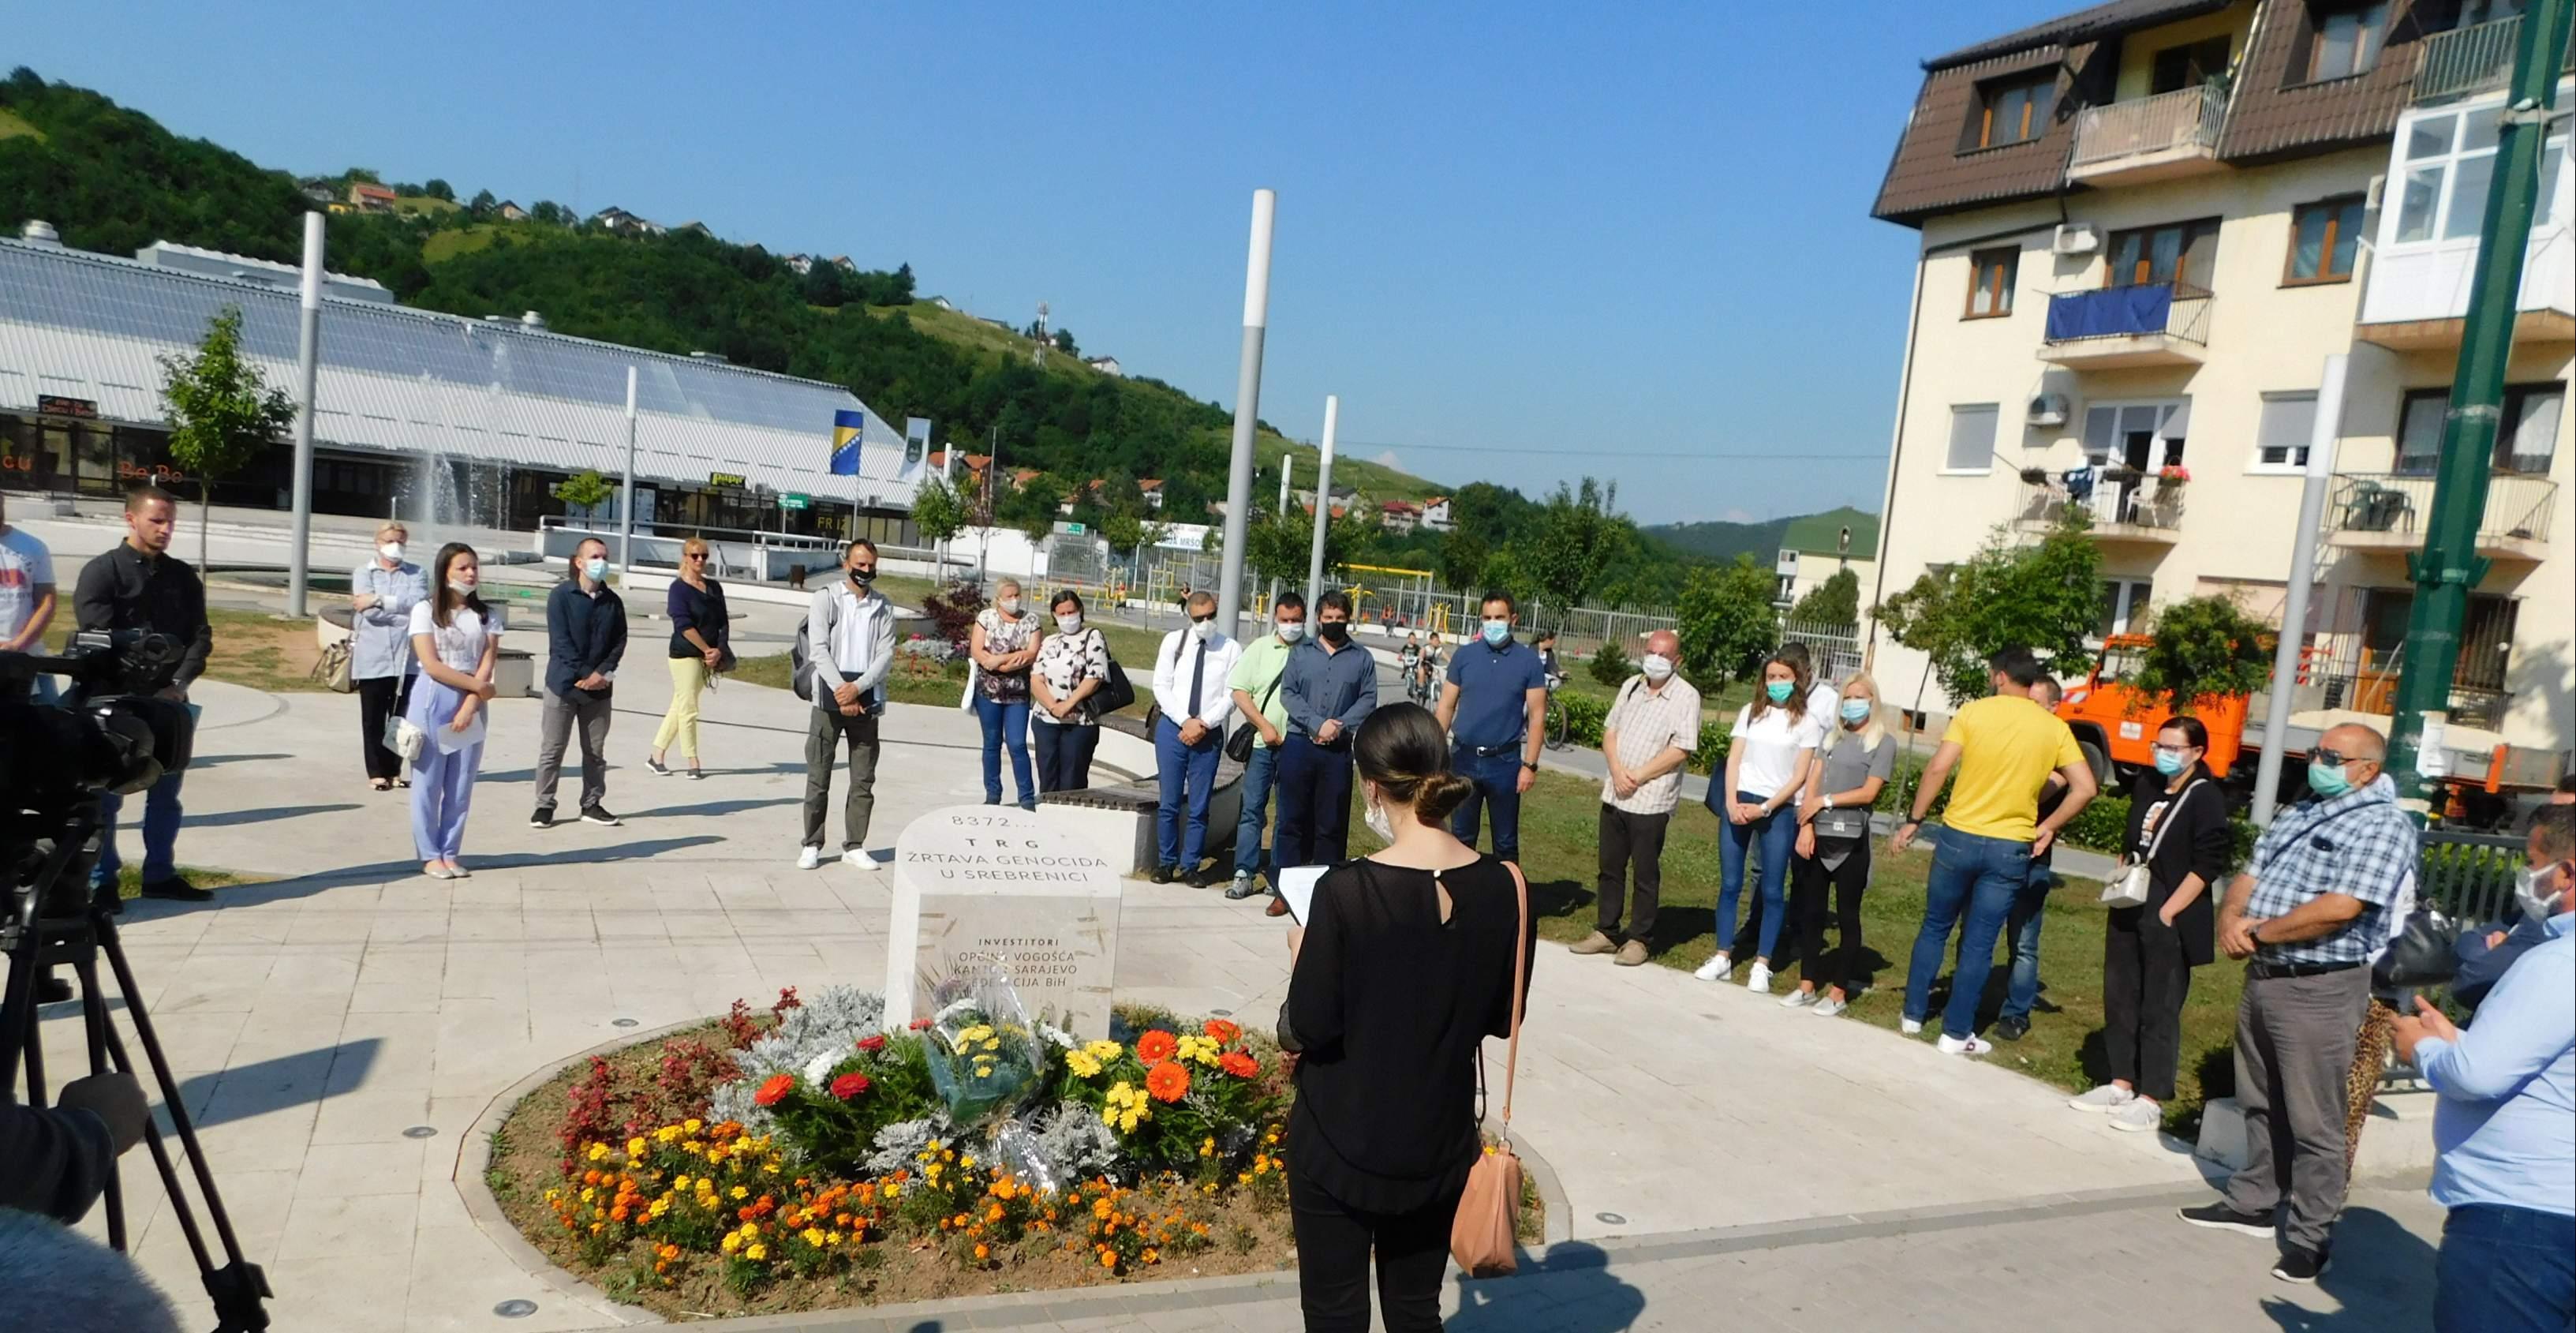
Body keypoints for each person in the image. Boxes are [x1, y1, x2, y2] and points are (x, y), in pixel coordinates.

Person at [1281, 702, 1535, 1333]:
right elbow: (1505, 1015)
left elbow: (1307, 1026)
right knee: (1416, 1307)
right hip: (1437, 1135)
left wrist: (1300, 956)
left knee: (1335, 1312)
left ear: (1370, 786)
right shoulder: (1506, 884)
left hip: (1339, 1134)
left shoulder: (1345, 891)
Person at [2177, 723, 2417, 1283]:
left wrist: (2259, 934)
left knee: (2314, 1119)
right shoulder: (2303, 807)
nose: (2318, 761)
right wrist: (2231, 917)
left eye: (2333, 756)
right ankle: (2253, 1200)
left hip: (2320, 984)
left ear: (2367, 769)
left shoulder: (2383, 825)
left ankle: (2311, 1234)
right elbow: (2250, 872)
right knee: (2258, 1098)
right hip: (2265, 976)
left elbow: (2342, 906)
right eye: (2316, 751)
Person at [2394, 805, 2574, 1332]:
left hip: (2521, 1216)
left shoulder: (2556, 963)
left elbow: (2477, 1076)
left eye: (2533, 862)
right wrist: (2462, 1041)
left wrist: (2422, 1049)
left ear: (2564, 873)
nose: (2526, 878)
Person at [1892, 647, 2097, 1054]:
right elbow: (2086, 787)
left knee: (1935, 925)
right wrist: (2049, 826)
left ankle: (1913, 1014)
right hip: (2010, 844)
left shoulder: (1974, 712)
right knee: (1980, 943)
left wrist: (1915, 818)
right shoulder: (2053, 727)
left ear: (2000, 676)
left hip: (1958, 835)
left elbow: (1937, 768)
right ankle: (1955, 1033)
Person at [2069, 717, 2230, 1132]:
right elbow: (2131, 839)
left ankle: (2151, 1095)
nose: (2164, 754)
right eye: (2160, 746)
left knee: (2160, 1003)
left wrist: (2170, 910)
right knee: (2121, 991)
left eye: (2175, 748)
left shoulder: (2205, 796)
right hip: (2132, 897)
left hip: (2170, 905)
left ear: (2197, 753)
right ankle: (2120, 1080)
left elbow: (2209, 862)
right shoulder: (2149, 784)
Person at [74, 486, 211, 901]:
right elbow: (94, 637)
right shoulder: (102, 571)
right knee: (107, 799)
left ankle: (160, 876)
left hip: (168, 703)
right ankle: (104, 883)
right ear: (130, 519)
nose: (166, 529)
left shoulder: (183, 577)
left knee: (166, 796)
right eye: (157, 520)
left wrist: (178, 685)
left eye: (170, 521)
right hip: (111, 700)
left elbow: (200, 637)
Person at [1695, 650, 1820, 993]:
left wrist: (1765, 808)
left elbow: (1799, 776)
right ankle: (1722, 955)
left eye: (1783, 677)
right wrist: (1732, 801)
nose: (1777, 683)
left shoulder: (1807, 722)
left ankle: (1762, 963)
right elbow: (1735, 759)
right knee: (1731, 883)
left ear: (1796, 679)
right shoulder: (1750, 714)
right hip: (1739, 804)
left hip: (1775, 810)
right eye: (1771, 677)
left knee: (1772, 887)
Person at [1573, 629, 1699, 967]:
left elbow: (1681, 749)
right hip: (1616, 792)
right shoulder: (1631, 685)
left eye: (1663, 654)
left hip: (1651, 799)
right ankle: (1607, 931)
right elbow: (1610, 731)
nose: (1655, 659)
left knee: (1645, 872)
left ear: (1677, 661)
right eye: (1650, 652)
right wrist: (1616, 770)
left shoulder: (1687, 696)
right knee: (1610, 867)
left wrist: (1639, 776)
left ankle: (1640, 938)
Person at [1784, 671, 1896, 1013]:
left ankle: (1838, 992)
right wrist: (1807, 825)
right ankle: (1806, 985)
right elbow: (1813, 782)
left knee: (1848, 915)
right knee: (1812, 912)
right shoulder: (1831, 737)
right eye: (1847, 697)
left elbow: (1870, 791)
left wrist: (1826, 802)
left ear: (1873, 702)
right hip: (1818, 834)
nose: (1852, 704)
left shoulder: (1882, 741)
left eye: (1859, 697)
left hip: (1851, 839)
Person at [406, 542, 499, 879]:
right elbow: (431, 664)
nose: (471, 573)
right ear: (446, 571)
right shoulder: (425, 611)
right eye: (463, 567)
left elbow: (487, 663)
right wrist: (477, 688)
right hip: (434, 699)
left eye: (474, 567)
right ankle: (429, 853)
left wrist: (472, 703)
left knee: (460, 785)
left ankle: (450, 851)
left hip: (471, 703)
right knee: (428, 783)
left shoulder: (486, 615)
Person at [800, 539, 894, 871]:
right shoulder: (826, 599)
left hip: (865, 698)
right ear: (846, 564)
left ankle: (854, 844)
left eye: (871, 564)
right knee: (818, 775)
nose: (866, 570)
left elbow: (885, 655)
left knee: (863, 778)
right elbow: (818, 650)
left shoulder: (883, 607)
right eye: (860, 564)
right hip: (828, 697)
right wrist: (841, 688)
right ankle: (812, 842)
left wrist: (858, 687)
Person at [1434, 591, 1547, 864]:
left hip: (1505, 763)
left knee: (1506, 843)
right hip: (1463, 759)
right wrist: (1436, 752)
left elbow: (1537, 716)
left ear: (1513, 619)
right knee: (1461, 838)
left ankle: (1508, 903)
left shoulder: (1528, 661)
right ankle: (1460, 900)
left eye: (1499, 617)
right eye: (1487, 618)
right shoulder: (1464, 656)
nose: (1492, 623)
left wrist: (1529, 765)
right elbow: (1447, 706)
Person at [1277, 591, 1378, 883]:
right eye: (1328, 618)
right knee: (1292, 820)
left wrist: (1340, 726)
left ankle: (1327, 890)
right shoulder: (1301, 653)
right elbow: (1289, 694)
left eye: (1340, 618)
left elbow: (1368, 698)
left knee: (1331, 824)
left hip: (1338, 751)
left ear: (1348, 620)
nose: (1334, 623)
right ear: (1319, 619)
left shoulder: (1362, 659)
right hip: (1299, 745)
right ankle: (1286, 888)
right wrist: (1317, 724)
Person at [1995, 674, 2069, 1042]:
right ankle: (1968, 998)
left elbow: (2047, 788)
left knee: (2024, 940)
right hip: (1994, 846)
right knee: (1978, 932)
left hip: (2032, 856)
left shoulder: (2061, 744)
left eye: (2036, 706)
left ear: (2054, 708)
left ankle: (2016, 1012)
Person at [533, 537, 626, 829]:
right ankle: (544, 805)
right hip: (563, 685)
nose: (601, 562)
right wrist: (585, 673)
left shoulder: (613, 602)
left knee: (595, 752)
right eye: (595, 556)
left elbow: (619, 641)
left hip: (599, 690)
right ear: (579, 562)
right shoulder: (561, 596)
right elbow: (561, 643)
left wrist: (602, 674)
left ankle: (592, 803)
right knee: (553, 749)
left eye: (604, 556)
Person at [1149, 590, 1240, 883]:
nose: (1206, 622)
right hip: (1173, 729)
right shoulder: (1174, 642)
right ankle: (1166, 863)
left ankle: (1190, 865)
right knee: (1170, 802)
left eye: (1211, 616)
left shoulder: (1230, 649)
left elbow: (1231, 694)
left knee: (1200, 805)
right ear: (1190, 616)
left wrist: (1203, 723)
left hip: (1208, 733)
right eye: (1199, 618)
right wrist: (1186, 721)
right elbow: (1161, 686)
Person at [1226, 593, 1306, 904]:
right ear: (1275, 618)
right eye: (1285, 620)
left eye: (1296, 620)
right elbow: (1239, 692)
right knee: (1252, 811)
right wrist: (1264, 726)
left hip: (1296, 746)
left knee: (1289, 814)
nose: (1290, 626)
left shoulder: (1310, 650)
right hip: (1262, 745)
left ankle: (1280, 875)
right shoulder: (1259, 649)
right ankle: (1244, 872)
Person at [348, 522, 425, 792]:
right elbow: (366, 612)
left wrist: (377, 600)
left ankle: (394, 769)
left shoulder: (417, 573)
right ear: (377, 542)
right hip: (373, 656)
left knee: (402, 716)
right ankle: (376, 771)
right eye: (391, 540)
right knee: (373, 716)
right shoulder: (363, 572)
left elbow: (418, 604)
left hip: (408, 659)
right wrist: (394, 607)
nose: (396, 546)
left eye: (402, 541)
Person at [649, 536, 729, 780]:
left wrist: (719, 650)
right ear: (685, 558)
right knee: (689, 709)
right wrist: (706, 649)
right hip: (685, 655)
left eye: (704, 556)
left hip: (708, 657)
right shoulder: (678, 589)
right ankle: (692, 760)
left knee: (681, 704)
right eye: (694, 555)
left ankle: (656, 755)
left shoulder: (713, 587)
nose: (700, 560)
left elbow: (723, 622)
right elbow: (683, 625)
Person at [969, 578, 1041, 810]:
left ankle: (1027, 797)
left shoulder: (1031, 621)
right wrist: (1000, 664)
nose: (1014, 600)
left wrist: (1000, 660)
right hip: (988, 691)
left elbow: (1031, 653)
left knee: (1017, 744)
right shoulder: (986, 618)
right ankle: (993, 793)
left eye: (1017, 595)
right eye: (1008, 596)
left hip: (1017, 694)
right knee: (991, 743)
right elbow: (977, 651)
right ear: (998, 599)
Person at [1030, 589, 1109, 794]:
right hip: (1047, 721)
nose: (1067, 618)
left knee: (1072, 782)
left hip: (1079, 723)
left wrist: (1068, 704)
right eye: (1061, 614)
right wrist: (1053, 706)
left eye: (1070, 612)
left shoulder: (1092, 637)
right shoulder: (1049, 642)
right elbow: (1037, 678)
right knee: (1048, 781)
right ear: (1054, 616)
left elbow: (1095, 676)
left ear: (1080, 610)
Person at [0, 488, 58, 662]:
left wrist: (18, 645)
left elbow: (46, 602)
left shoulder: (33, 546)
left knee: (47, 691)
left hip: (27, 654)